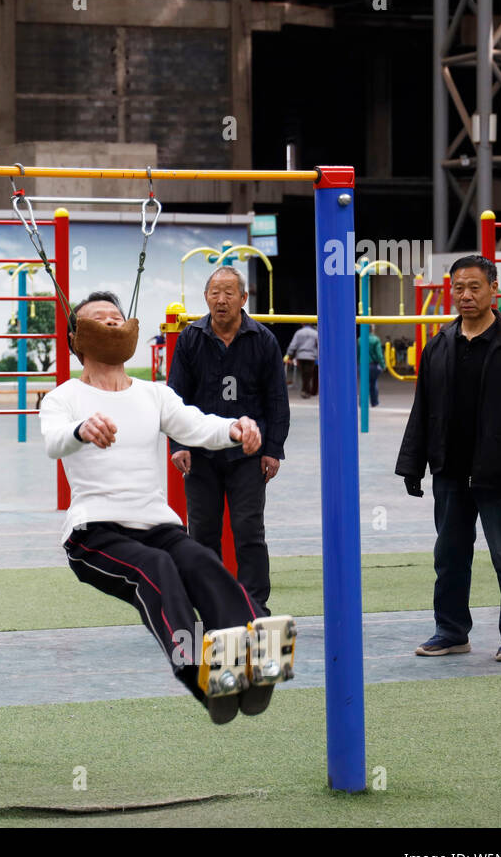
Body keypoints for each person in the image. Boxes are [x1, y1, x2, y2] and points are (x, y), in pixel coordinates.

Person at [40, 290, 293, 725]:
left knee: (204, 563)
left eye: (118, 317)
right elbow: (54, 441)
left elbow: (196, 424)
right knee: (156, 570)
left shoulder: (153, 393)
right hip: (95, 535)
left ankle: (255, 664)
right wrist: (82, 429)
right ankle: (202, 674)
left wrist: (236, 427)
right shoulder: (63, 399)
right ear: (76, 337)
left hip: (156, 524)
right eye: (99, 318)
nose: (112, 323)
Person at [395, 255, 501, 662]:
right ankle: (451, 630)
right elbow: (422, 407)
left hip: (497, 474)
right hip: (449, 471)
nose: (466, 295)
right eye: (459, 288)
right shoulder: (440, 343)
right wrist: (413, 463)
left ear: (494, 289)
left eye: (475, 287)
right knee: (450, 557)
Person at [167, 266, 290, 615]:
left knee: (249, 532)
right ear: (205, 297)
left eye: (229, 293)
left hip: (248, 456)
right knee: (202, 534)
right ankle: (209, 604)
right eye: (214, 293)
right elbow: (175, 398)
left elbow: (277, 401)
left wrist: (273, 450)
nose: (221, 300)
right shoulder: (191, 339)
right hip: (201, 454)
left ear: (243, 298)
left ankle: (254, 606)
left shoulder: (263, 340)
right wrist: (178, 445)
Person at [284, 322, 318, 397]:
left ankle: (305, 390)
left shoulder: (298, 333)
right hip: (311, 356)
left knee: (303, 374)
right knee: (308, 374)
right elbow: (318, 345)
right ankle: (306, 391)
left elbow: (293, 345)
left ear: (303, 324)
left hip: (301, 356)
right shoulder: (315, 333)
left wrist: (289, 355)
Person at [366, 329, 384, 407]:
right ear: (372, 329)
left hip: (363, 364)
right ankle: (374, 402)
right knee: (373, 383)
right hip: (373, 365)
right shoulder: (376, 339)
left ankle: (362, 402)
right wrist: (383, 365)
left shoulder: (360, 340)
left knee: (364, 384)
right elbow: (379, 354)